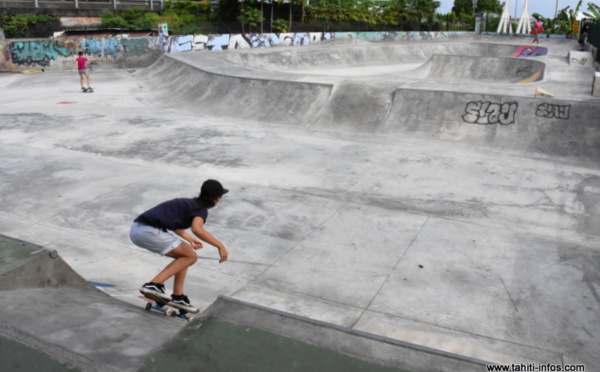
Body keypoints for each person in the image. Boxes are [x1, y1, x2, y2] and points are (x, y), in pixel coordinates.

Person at [130, 179, 229, 307]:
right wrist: (220, 246)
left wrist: (189, 238)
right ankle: (153, 285)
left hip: (138, 230)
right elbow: (197, 229)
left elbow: (173, 223)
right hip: (148, 231)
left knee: (186, 255)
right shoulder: (201, 210)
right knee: (191, 256)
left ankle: (178, 296)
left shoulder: (189, 204)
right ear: (217, 199)